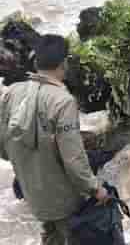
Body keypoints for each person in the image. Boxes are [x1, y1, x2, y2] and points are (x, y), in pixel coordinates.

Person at [0, 35, 110, 245]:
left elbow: (3, 144)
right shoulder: (62, 101)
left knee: (51, 237)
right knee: (74, 237)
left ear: (35, 61)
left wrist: (25, 164)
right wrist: (95, 189)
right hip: (62, 198)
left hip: (33, 193)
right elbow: (73, 158)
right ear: (64, 63)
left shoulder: (13, 92)